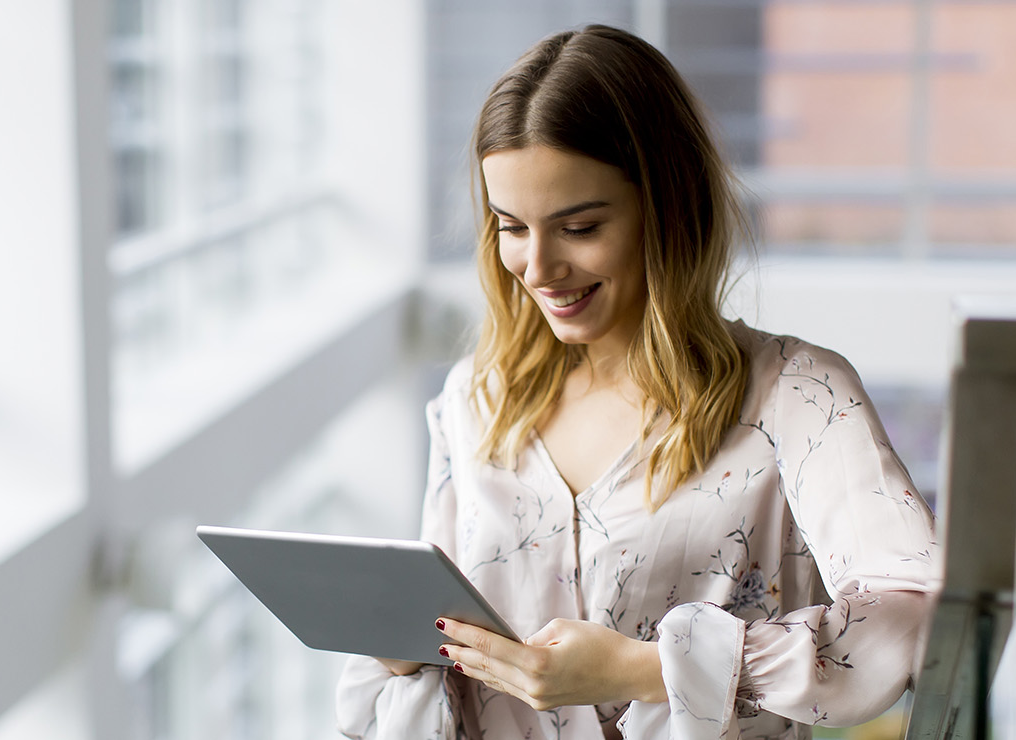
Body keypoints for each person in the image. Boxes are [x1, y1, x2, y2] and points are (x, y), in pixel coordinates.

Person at [336, 24, 938, 740]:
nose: (537, 267)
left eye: (580, 227)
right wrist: (405, 650)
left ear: (668, 205)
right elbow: (443, 640)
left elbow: (916, 618)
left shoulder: (798, 396)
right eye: (511, 227)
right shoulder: (475, 400)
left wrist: (647, 669)